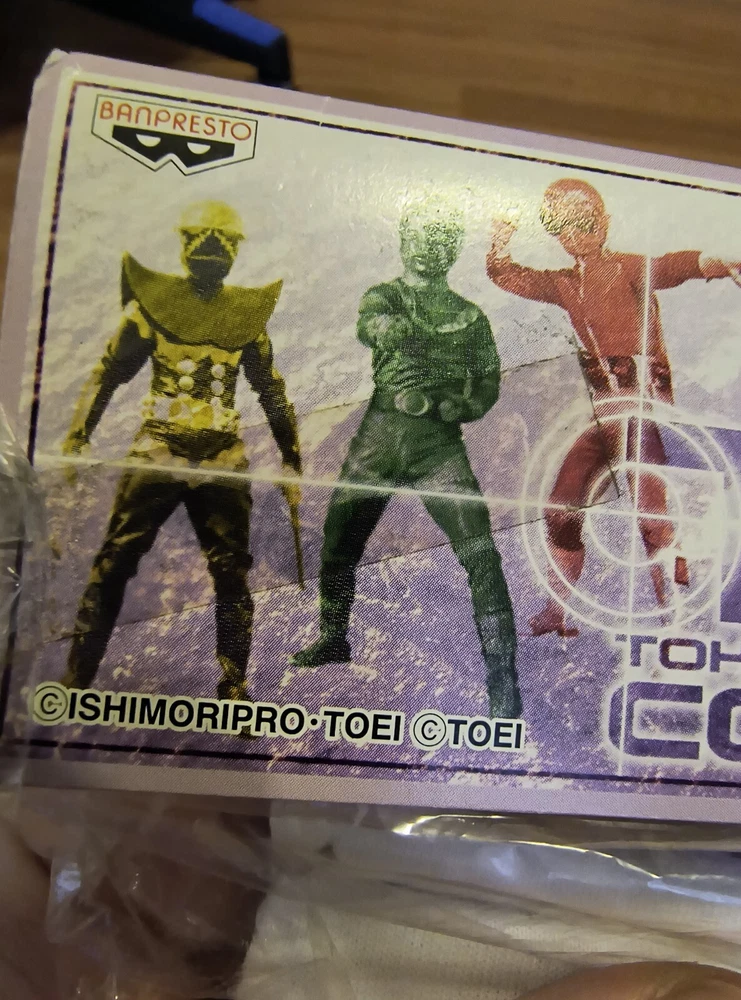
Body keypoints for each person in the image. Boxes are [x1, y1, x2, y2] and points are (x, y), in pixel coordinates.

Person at [60, 201, 302, 700]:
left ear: (235, 251)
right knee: (116, 560)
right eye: (201, 237)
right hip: (159, 447)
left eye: (223, 240)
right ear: (184, 243)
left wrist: (291, 457)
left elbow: (272, 392)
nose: (212, 247)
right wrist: (78, 435)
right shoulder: (153, 308)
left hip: (221, 455)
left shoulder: (247, 319)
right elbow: (109, 371)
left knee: (231, 571)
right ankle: (77, 679)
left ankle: (233, 684)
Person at [291, 202, 521, 720]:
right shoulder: (385, 296)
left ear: (452, 249)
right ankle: (333, 637)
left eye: (437, 239)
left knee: (481, 553)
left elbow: (487, 381)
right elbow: (371, 324)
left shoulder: (471, 317)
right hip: (379, 436)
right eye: (417, 236)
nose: (425, 248)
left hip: (438, 443)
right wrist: (386, 330)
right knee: (340, 535)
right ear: (401, 241)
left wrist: (465, 404)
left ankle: (504, 682)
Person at [487, 179, 740, 637]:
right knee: (561, 509)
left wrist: (718, 262)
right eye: (561, 225)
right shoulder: (564, 283)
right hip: (603, 411)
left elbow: (674, 267)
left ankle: (676, 624)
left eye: (584, 222)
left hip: (645, 409)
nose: (575, 234)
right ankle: (558, 609)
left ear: (603, 222)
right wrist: (500, 242)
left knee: (652, 520)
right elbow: (508, 276)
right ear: (555, 233)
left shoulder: (627, 267)